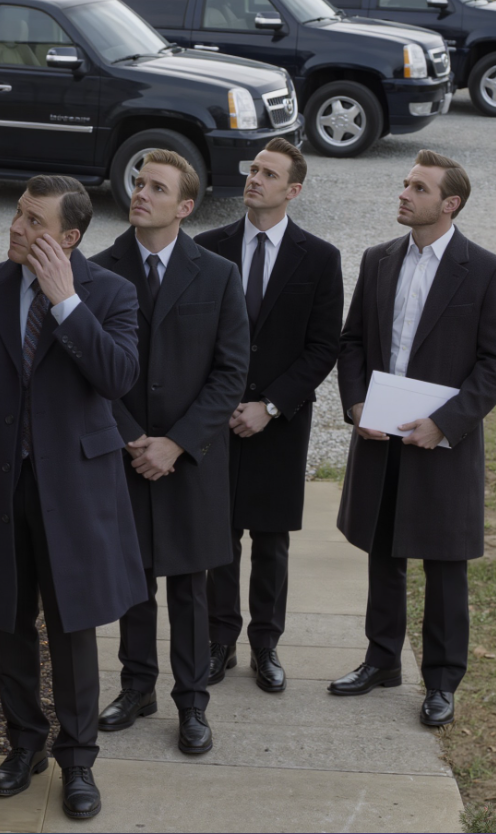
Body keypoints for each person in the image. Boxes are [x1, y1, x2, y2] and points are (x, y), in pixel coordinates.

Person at [0, 175, 146, 821]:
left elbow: (117, 377)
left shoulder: (111, 292)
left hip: (76, 489)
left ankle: (78, 759)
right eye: (18, 214)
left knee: (72, 625)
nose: (17, 228)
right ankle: (24, 743)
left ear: (69, 237)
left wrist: (65, 303)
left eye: (35, 222)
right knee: (7, 621)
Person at [330, 149, 496, 728]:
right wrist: (356, 405)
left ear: (450, 204)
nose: (403, 193)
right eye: (405, 183)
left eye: (418, 187)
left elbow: (492, 364)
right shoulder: (378, 259)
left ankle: (442, 681)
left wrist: (445, 422)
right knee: (383, 549)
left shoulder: (484, 269)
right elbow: (352, 341)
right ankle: (382, 660)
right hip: (381, 432)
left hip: (445, 440)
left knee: (444, 562)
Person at [91, 150, 249, 755]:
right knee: (131, 580)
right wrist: (132, 436)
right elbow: (88, 366)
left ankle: (192, 701)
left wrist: (177, 442)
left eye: (157, 187)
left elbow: (230, 373)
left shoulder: (218, 274)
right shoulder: (97, 271)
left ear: (185, 206)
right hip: (125, 452)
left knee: (189, 585)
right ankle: (137, 687)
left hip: (192, 458)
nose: (141, 193)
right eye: (138, 182)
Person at [195, 138, 343, 693]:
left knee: (272, 539)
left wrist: (271, 405)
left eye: (269, 174)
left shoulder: (320, 258)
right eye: (253, 169)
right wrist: (220, 402)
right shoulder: (207, 247)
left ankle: (266, 644)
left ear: (293, 190)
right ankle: (219, 641)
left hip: (280, 421)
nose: (254, 179)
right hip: (217, 418)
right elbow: (196, 338)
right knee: (219, 535)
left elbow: (323, 347)